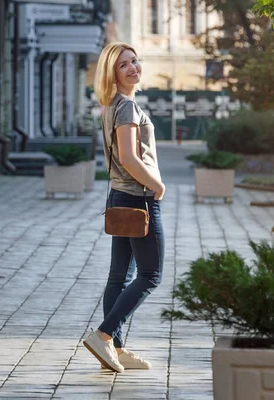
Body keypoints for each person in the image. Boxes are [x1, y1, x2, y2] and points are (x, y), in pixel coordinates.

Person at [83, 42, 166, 373]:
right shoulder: (127, 108)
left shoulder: (113, 105)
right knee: (150, 275)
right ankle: (104, 335)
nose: (133, 68)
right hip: (138, 198)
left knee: (120, 275)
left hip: (121, 197)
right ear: (112, 73)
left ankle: (114, 349)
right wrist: (157, 185)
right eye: (124, 65)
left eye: (134, 61)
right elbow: (129, 158)